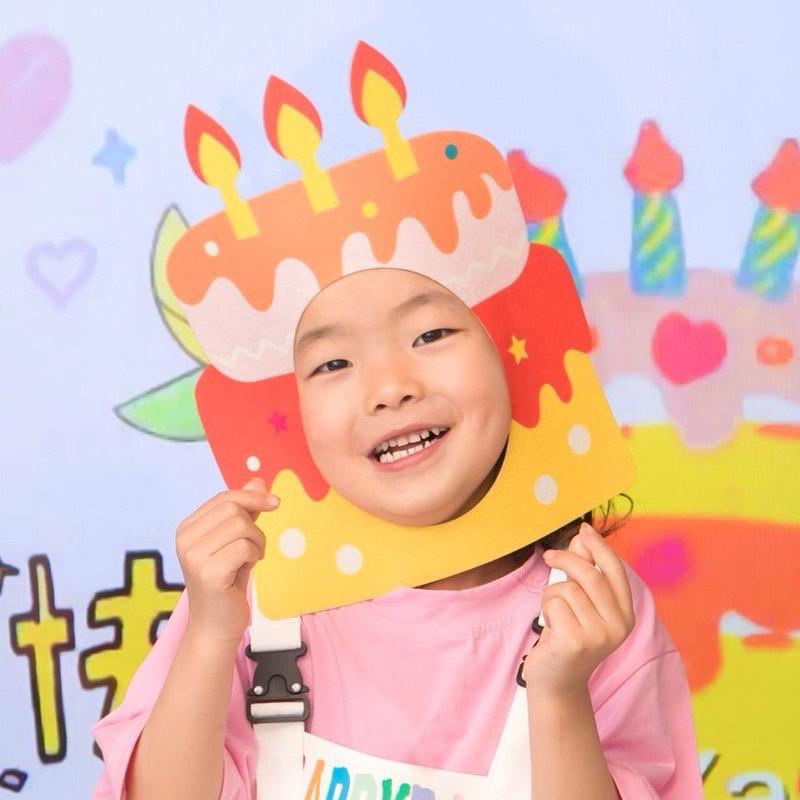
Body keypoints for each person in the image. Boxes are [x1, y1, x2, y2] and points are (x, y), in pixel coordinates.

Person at [90, 267, 704, 799]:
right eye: (333, 363)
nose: (389, 388)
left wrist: (561, 695)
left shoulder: (591, 609)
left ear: (513, 349)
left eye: (430, 334)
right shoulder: (249, 595)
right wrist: (210, 633)